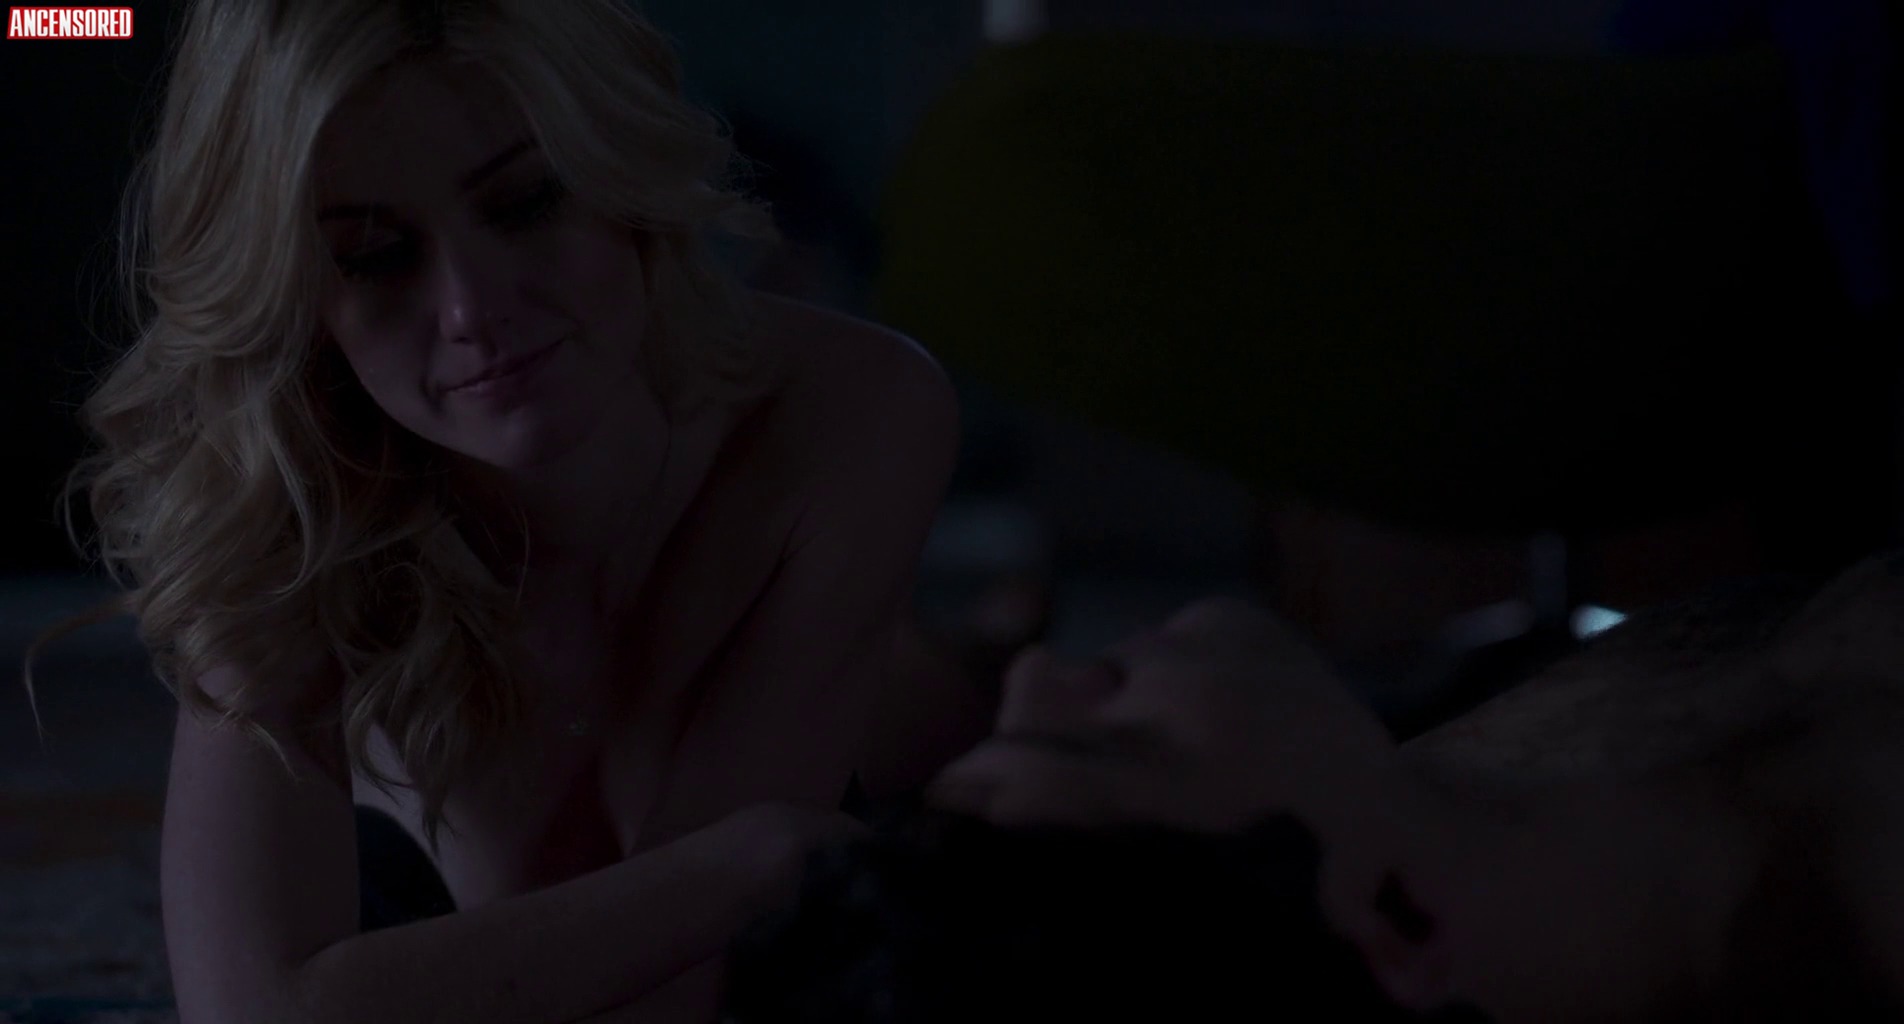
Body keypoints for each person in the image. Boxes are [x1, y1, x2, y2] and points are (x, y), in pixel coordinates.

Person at [25, 1, 990, 1021]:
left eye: (527, 203)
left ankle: (992, 660)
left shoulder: (850, 407)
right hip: (429, 883)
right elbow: (251, 1014)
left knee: (985, 756)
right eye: (375, 254)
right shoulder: (284, 496)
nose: (473, 310)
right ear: (295, 296)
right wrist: (752, 860)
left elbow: (675, 996)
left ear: (621, 176)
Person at [724, 553, 1904, 1020]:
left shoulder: (1426, 805)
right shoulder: (1855, 896)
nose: (1036, 673)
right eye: (1103, 747)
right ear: (1395, 920)